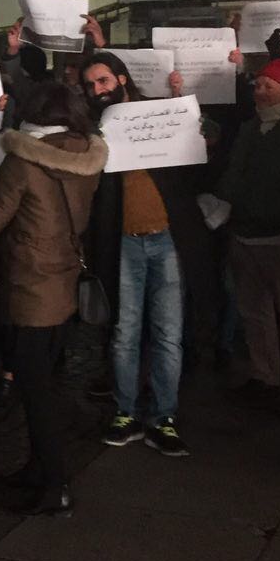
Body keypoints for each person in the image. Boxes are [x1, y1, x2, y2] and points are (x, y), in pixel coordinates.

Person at [0, 82, 108, 514]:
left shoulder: (22, 162)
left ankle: (55, 485)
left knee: (37, 396)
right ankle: (37, 469)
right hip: (63, 280)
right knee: (44, 383)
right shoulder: (86, 155)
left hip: (29, 287)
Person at [81, 52, 213, 457]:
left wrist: (199, 126)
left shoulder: (160, 114)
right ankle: (126, 412)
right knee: (125, 333)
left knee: (168, 334)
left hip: (168, 239)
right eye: (91, 85)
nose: (98, 90)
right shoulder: (94, 130)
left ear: (122, 78)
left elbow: (200, 162)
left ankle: (163, 417)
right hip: (123, 241)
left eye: (103, 80)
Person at [213, 58, 280, 410]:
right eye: (257, 84)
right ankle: (264, 375)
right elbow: (235, 172)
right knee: (255, 311)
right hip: (246, 232)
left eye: (268, 85)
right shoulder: (249, 128)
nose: (259, 91)